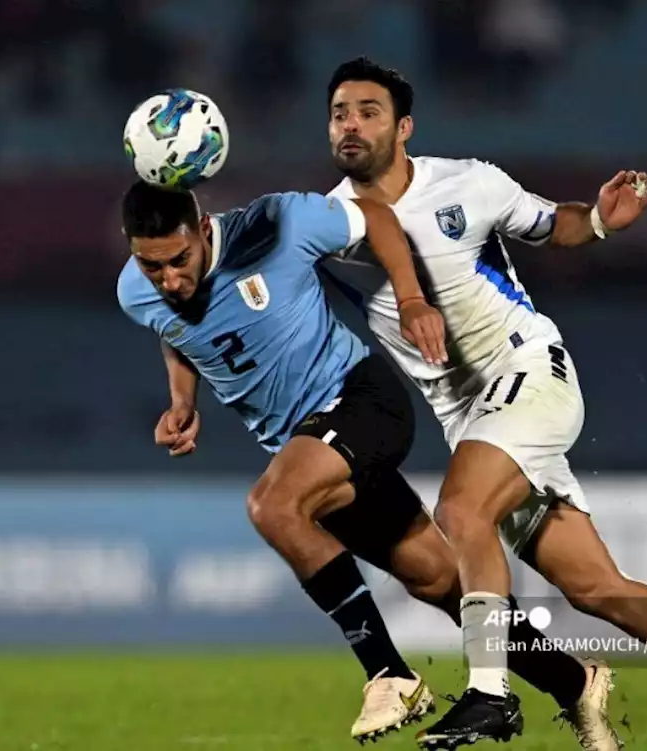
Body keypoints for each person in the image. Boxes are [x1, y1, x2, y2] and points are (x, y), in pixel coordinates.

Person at [318, 56, 647, 751]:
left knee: (460, 509)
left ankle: (490, 694)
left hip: (530, 371)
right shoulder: (325, 226)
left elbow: (556, 225)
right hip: (474, 421)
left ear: (404, 127)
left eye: (368, 111)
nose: (351, 124)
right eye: (339, 112)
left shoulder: (469, 183)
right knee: (597, 588)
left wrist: (601, 220)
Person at [115, 180, 617, 746]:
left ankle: (389, 672)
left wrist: (409, 300)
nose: (170, 280)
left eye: (179, 260)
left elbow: (377, 216)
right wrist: (184, 401)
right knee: (441, 581)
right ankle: (574, 682)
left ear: (203, 229)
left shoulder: (277, 224)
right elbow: (175, 327)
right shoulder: (137, 292)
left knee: (273, 505)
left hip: (359, 400)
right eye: (152, 267)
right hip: (306, 446)